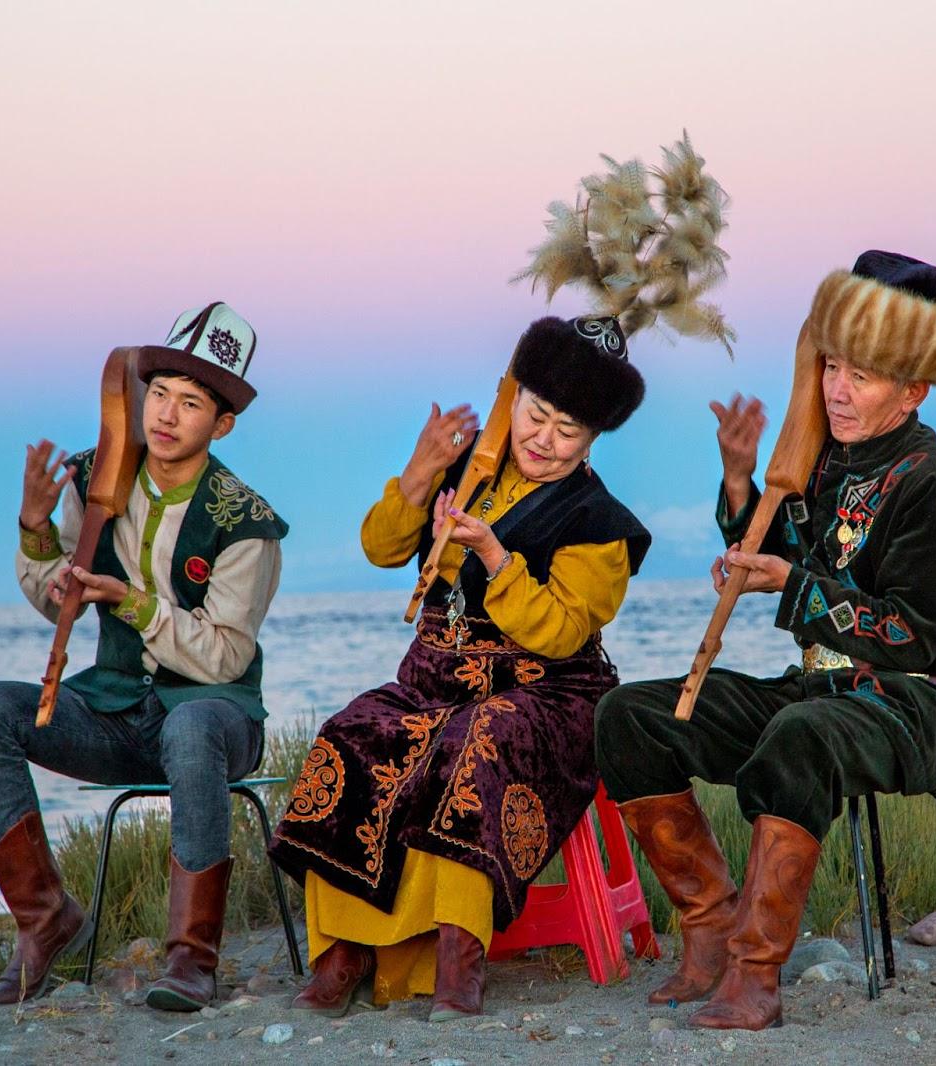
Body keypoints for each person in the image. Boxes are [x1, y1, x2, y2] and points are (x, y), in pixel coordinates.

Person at [595, 250, 936, 1030]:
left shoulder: (930, 486)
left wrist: (793, 587)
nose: (837, 389)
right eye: (832, 366)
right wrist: (742, 484)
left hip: (910, 706)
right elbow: (784, 550)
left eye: (862, 376)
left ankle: (754, 974)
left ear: (914, 388)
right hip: (817, 688)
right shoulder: (824, 458)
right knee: (632, 716)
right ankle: (709, 931)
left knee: (801, 735)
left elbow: (909, 633)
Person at [269, 315, 652, 1021]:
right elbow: (382, 549)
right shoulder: (467, 465)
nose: (543, 439)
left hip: (546, 690)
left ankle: (457, 958)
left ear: (593, 439)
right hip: (433, 678)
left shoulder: (602, 523)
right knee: (351, 734)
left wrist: (495, 558)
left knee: (475, 746)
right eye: (537, 415)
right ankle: (345, 952)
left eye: (568, 431)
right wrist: (419, 469)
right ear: (515, 400)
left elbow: (564, 632)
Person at [0, 302, 287, 1010]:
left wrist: (132, 601)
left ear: (221, 424)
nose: (166, 415)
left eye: (190, 403)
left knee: (193, 728)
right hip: (111, 715)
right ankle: (48, 922)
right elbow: (58, 600)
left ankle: (191, 960)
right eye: (159, 393)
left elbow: (226, 659)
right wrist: (37, 530)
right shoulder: (99, 478)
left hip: (214, 723)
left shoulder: (245, 521)